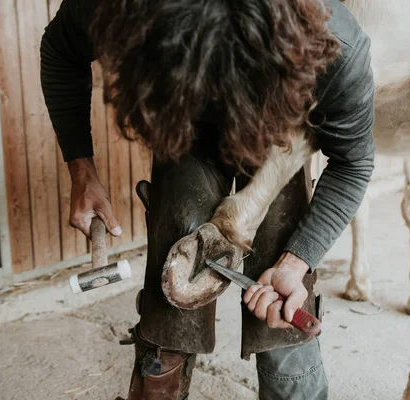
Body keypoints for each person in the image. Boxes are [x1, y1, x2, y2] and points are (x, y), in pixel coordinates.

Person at [40, 0, 374, 398]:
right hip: (184, 123)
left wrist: (296, 260)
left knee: (281, 319)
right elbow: (60, 51)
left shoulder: (332, 44)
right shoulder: (117, 8)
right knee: (175, 279)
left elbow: (353, 162)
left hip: (281, 123)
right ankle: (159, 376)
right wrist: (83, 171)